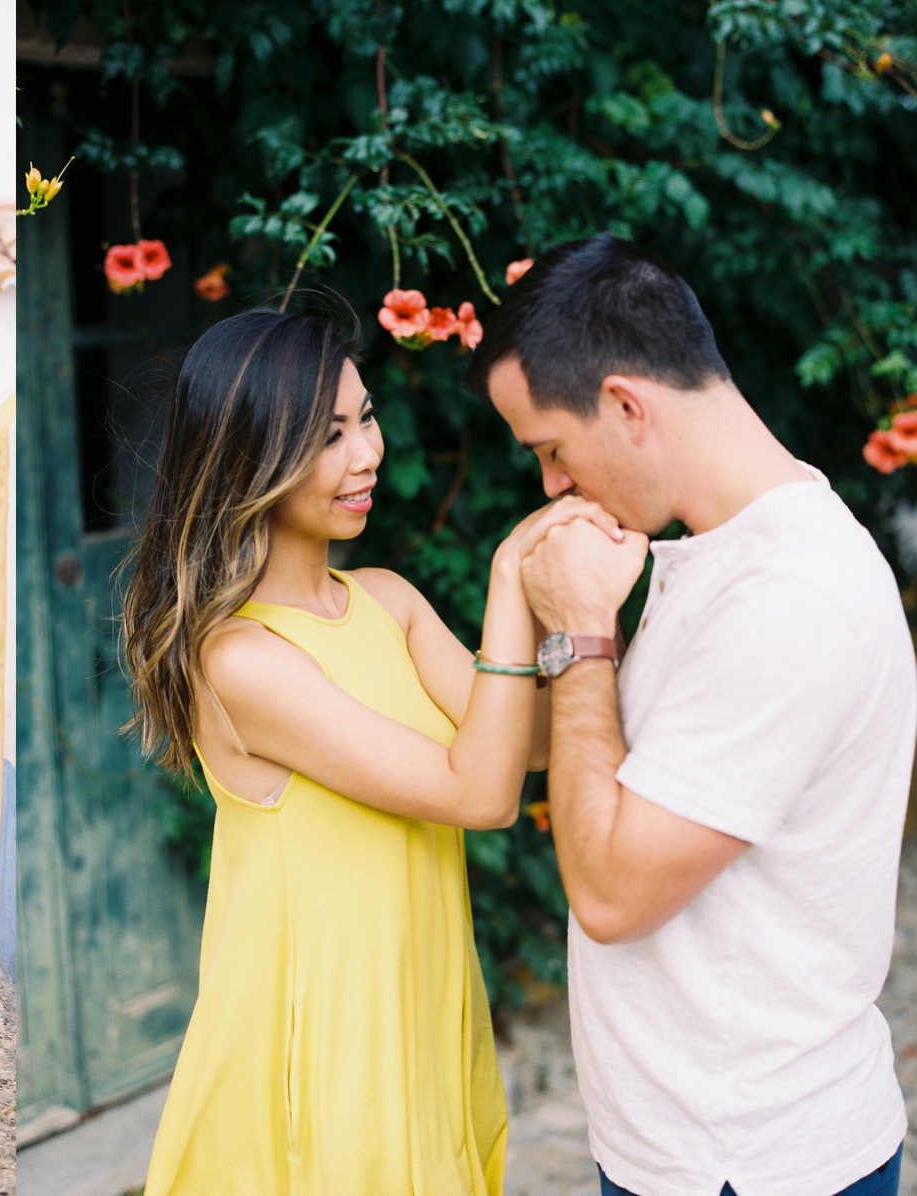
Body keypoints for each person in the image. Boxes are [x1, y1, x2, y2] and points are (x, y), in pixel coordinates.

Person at [124, 303, 621, 1194]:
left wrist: (580, 629)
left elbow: (530, 741)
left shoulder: (387, 601)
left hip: (416, 1015)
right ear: (252, 458)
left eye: (366, 418)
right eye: (328, 436)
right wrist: (510, 580)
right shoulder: (241, 659)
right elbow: (482, 796)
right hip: (322, 1052)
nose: (368, 454)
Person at [468, 234, 916, 1196]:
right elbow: (601, 761)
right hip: (685, 1150)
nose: (549, 483)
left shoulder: (792, 597)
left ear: (626, 405)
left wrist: (584, 630)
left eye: (552, 449)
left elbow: (614, 895)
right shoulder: (720, 554)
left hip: (753, 1164)